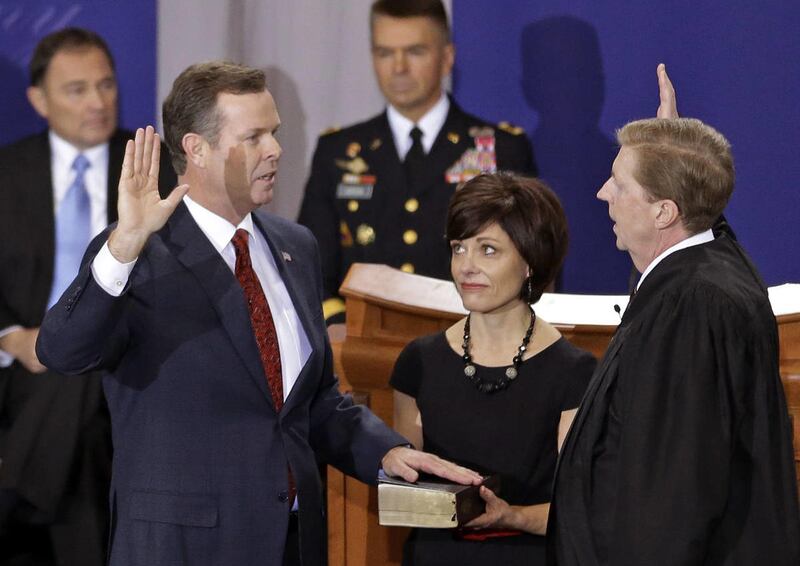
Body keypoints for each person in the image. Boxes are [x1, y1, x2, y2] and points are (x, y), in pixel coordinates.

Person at [35, 61, 481, 566]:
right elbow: (63, 352)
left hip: (290, 541)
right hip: (183, 548)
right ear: (196, 149)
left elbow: (309, 402)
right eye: (253, 137)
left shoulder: (295, 246)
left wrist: (384, 452)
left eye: (274, 132)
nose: (275, 150)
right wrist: (125, 243)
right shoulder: (140, 253)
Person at [548, 117, 800, 565]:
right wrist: (677, 157)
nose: (603, 193)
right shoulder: (714, 263)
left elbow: (673, 492)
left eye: (620, 184)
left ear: (664, 212)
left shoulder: (691, 309)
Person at [0, 27, 175, 566]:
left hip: (120, 364)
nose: (98, 102)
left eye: (105, 85)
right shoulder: (7, 173)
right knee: (66, 386)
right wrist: (11, 337)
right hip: (20, 371)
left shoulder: (157, 167)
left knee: (75, 375)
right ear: (38, 99)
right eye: (77, 89)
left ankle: (18, 502)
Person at [390, 173, 597, 565]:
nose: (467, 266)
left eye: (488, 250)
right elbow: (406, 493)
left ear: (530, 262)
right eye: (459, 248)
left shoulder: (574, 373)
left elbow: (584, 508)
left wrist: (510, 515)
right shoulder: (419, 361)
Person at [298, 0, 536, 325]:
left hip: (468, 345)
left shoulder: (502, 149)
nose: (398, 67)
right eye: (384, 53)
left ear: (447, 58)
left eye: (415, 52)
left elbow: (531, 265)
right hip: (361, 343)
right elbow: (311, 268)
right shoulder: (337, 152)